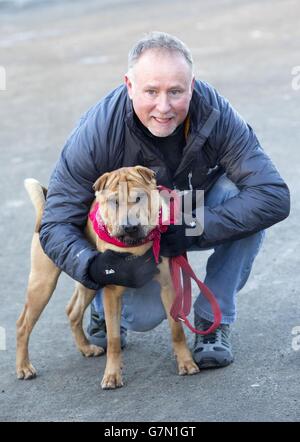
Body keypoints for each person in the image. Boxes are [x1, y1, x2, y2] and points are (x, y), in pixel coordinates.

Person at [40, 32, 290, 369]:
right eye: (151, 91)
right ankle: (103, 307)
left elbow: (272, 195)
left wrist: (189, 228)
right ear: (129, 86)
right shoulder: (96, 134)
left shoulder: (216, 114)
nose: (164, 106)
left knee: (239, 197)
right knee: (142, 317)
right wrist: (94, 267)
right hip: (128, 228)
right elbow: (55, 222)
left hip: (191, 206)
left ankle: (210, 321)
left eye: (176, 91)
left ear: (192, 85)